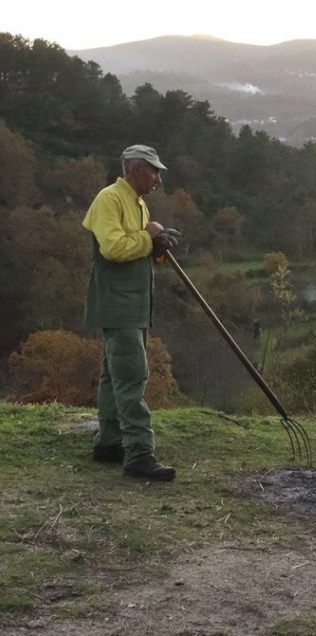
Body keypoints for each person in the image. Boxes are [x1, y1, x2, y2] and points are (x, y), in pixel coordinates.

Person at [83, 144, 180, 481]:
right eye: (154, 171)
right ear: (136, 169)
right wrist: (148, 238)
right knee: (132, 377)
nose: (158, 179)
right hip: (119, 304)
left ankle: (109, 443)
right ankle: (139, 455)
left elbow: (136, 248)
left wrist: (157, 247)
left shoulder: (137, 202)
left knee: (113, 377)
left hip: (133, 305)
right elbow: (112, 248)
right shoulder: (109, 199)